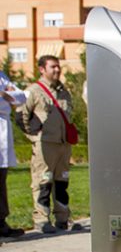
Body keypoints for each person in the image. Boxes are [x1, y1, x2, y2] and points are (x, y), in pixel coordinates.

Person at [20, 55, 80, 233]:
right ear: (42, 69)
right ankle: (41, 220)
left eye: (58, 67)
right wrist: (34, 137)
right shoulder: (33, 91)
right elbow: (20, 115)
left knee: (62, 181)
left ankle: (63, 219)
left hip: (63, 144)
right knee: (43, 182)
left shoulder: (64, 92)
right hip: (44, 144)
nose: (57, 70)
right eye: (53, 67)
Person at [0, 72, 26, 238]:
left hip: (3, 130)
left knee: (1, 178)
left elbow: (21, 97)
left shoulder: (2, 76)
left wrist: (4, 95)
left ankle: (1, 222)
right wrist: (6, 96)